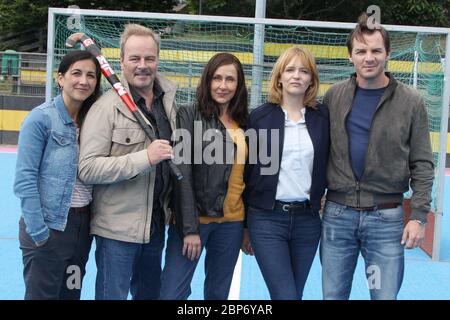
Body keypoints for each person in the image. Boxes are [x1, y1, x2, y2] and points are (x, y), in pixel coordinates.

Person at [320, 13, 434, 300]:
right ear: (350, 56)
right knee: (333, 296)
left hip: (385, 220)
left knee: (382, 296)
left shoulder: (411, 102)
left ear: (388, 54)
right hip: (338, 217)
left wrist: (419, 217)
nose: (368, 57)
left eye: (375, 50)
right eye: (361, 51)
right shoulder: (334, 97)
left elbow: (422, 163)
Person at [78, 24, 177, 300]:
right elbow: (87, 169)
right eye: (135, 58)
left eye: (149, 58)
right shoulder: (105, 108)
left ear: (158, 59)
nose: (142, 65)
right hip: (117, 232)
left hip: (156, 226)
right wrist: (144, 158)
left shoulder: (168, 101)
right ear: (122, 61)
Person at [241, 46, 329, 300]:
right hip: (267, 220)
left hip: (308, 222)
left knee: (294, 294)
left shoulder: (322, 117)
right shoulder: (259, 118)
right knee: (285, 296)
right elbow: (248, 174)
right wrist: (245, 226)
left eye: (304, 71)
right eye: (290, 69)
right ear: (279, 76)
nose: (296, 76)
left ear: (312, 79)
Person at [159, 52, 249, 300]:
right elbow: (182, 174)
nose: (223, 85)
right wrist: (189, 228)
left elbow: (249, 180)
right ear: (207, 80)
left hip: (231, 224)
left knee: (218, 294)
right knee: (172, 294)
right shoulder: (188, 114)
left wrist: (247, 227)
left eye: (230, 79)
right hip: (194, 222)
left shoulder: (245, 122)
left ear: (238, 84)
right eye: (217, 78)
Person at [14, 50, 101, 299]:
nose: (83, 81)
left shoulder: (94, 121)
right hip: (49, 228)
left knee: (71, 294)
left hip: (81, 229)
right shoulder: (41, 119)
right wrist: (40, 234)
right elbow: (24, 181)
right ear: (60, 78)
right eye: (76, 73)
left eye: (90, 75)